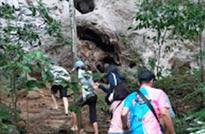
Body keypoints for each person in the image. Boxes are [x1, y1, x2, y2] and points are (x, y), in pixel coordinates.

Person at [72, 60, 99, 134]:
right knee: (93, 115)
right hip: (94, 96)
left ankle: (75, 126)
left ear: (79, 67)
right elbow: (90, 83)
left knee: (74, 109)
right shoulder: (89, 73)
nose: (77, 71)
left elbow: (91, 85)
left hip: (87, 96)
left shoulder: (81, 73)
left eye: (77, 69)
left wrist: (94, 86)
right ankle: (96, 132)